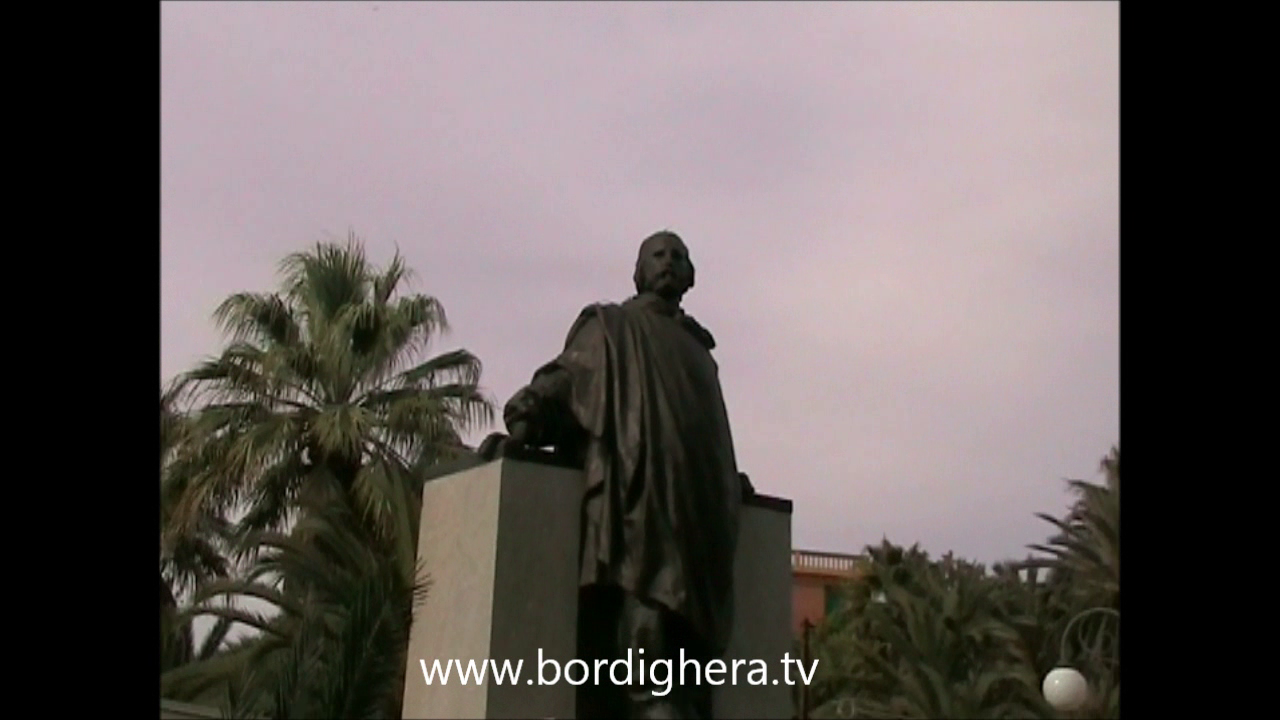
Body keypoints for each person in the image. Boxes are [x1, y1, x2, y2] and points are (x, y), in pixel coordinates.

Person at [479, 230, 746, 718]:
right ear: (638, 272)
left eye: (678, 256)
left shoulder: (701, 355)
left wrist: (730, 483)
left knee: (688, 677)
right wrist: (529, 417)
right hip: (640, 511)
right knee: (648, 656)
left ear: (691, 275)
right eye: (658, 255)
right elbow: (571, 378)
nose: (668, 262)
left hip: (700, 524)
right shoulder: (612, 327)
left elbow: (711, 437)